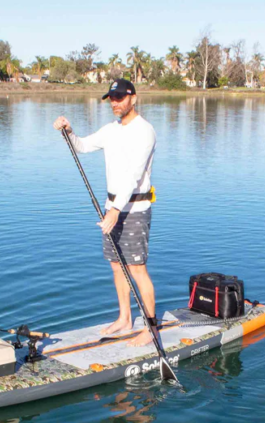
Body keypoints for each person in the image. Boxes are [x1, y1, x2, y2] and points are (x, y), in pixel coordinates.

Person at [53, 79, 157, 346]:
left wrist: (114, 210)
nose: (115, 102)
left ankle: (151, 328)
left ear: (133, 98)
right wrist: (69, 131)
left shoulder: (144, 131)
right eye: (112, 98)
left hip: (134, 208)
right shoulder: (111, 130)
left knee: (136, 268)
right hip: (112, 207)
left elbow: (134, 176)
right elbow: (83, 146)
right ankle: (124, 318)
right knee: (116, 266)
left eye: (120, 97)